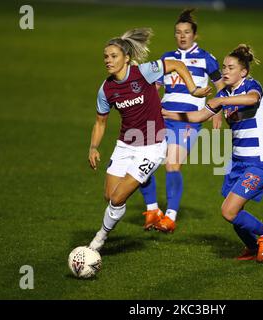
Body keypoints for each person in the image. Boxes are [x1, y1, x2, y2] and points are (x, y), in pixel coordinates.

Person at [87, 28, 211, 251]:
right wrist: (94, 147)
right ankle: (152, 211)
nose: (108, 60)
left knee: (117, 199)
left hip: (152, 147)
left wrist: (193, 89)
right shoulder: (106, 89)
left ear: (126, 58)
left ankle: (99, 240)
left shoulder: (144, 72)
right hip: (125, 145)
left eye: (113, 56)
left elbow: (177, 65)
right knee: (109, 195)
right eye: (106, 56)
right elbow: (100, 122)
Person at [162, 44, 263, 262]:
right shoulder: (225, 92)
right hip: (238, 161)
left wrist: (221, 101)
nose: (224, 71)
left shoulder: (251, 86)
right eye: (224, 67)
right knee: (233, 208)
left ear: (243, 72)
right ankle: (253, 248)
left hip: (259, 160)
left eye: (230, 67)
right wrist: (168, 113)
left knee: (229, 211)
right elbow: (197, 117)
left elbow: (252, 100)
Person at [139, 9, 224, 233]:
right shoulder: (167, 58)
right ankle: (152, 210)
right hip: (162, 117)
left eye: (186, 32)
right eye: (178, 32)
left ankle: (170, 217)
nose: (182, 36)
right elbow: (155, 87)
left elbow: (222, 87)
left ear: (195, 35)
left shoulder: (207, 58)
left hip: (188, 121)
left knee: (172, 164)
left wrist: (217, 111)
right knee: (142, 163)